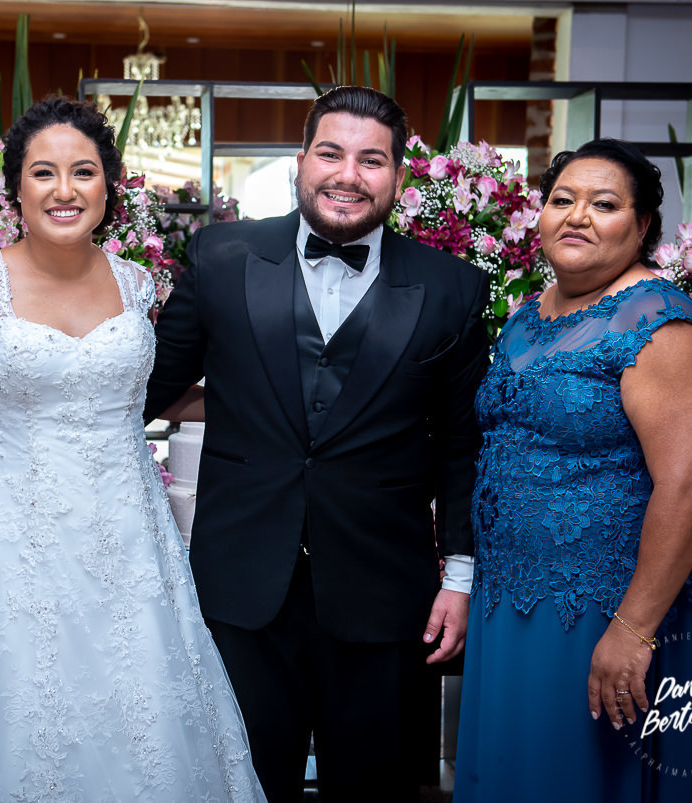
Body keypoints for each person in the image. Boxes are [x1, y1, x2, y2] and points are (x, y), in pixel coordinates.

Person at [0, 96, 266, 801]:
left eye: (83, 172)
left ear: (108, 185)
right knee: (16, 718)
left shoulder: (141, 285)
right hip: (10, 548)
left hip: (131, 547)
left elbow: (155, 395)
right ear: (16, 187)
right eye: (44, 172)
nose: (64, 189)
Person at [143, 85, 491, 801]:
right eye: (330, 152)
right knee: (236, 782)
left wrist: (459, 577)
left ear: (398, 177)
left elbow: (464, 444)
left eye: (372, 160)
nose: (347, 174)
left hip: (384, 590)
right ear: (300, 161)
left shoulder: (452, 287)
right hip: (240, 583)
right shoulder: (221, 256)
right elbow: (139, 392)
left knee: (376, 785)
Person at [453, 139, 692, 802]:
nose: (577, 215)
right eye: (562, 199)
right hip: (521, 597)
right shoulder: (531, 313)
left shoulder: (657, 320)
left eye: (604, 204)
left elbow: (690, 480)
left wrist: (634, 627)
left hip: (611, 604)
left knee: (584, 775)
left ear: (641, 227)